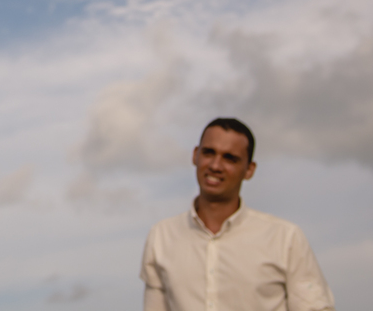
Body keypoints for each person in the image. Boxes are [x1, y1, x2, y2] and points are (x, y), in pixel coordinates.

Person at [140, 118, 335, 311]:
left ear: (249, 170)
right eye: (209, 153)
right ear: (195, 155)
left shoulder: (285, 239)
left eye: (230, 158)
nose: (215, 166)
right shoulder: (162, 236)